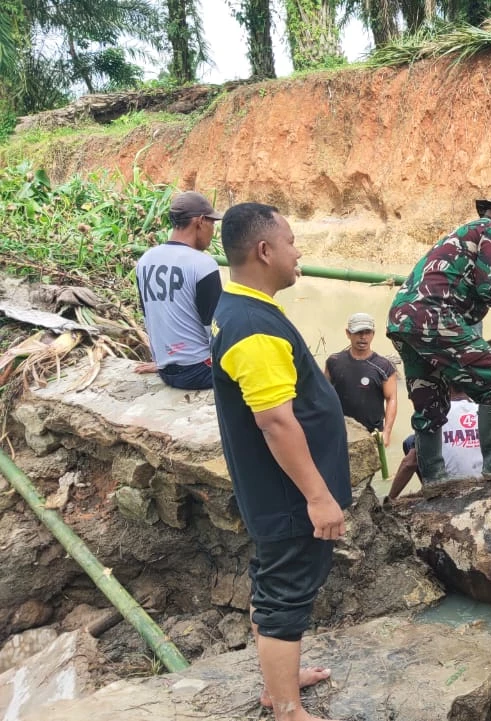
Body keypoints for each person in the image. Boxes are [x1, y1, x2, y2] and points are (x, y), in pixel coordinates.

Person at [210, 203, 350, 721]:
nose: (298, 252)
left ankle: (280, 681)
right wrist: (318, 497)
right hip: (292, 496)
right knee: (285, 595)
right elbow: (276, 422)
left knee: (273, 583)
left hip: (274, 491)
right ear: (265, 250)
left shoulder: (241, 308)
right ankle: (286, 708)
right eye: (291, 242)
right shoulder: (253, 326)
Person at [386, 188, 491, 486]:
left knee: (431, 398)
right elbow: (489, 286)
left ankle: (435, 478)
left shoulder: (466, 233)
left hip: (403, 320)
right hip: (433, 315)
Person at [134, 191, 223, 390]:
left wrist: (164, 361)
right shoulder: (203, 264)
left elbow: (149, 317)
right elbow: (216, 330)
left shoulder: (145, 261)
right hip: (200, 371)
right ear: (200, 221)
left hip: (166, 371)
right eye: (212, 224)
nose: (213, 232)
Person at [385, 389, 491, 501]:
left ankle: (430, 490)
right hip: (486, 484)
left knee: (411, 442)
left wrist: (390, 499)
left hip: (452, 490)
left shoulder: (435, 414)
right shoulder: (485, 412)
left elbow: (409, 463)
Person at [324, 312, 398, 436]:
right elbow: (323, 393)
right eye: (358, 332)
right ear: (348, 333)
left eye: (367, 332)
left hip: (372, 434)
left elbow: (391, 399)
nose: (363, 337)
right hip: (339, 430)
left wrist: (387, 432)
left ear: (373, 334)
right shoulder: (334, 361)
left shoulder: (384, 366)